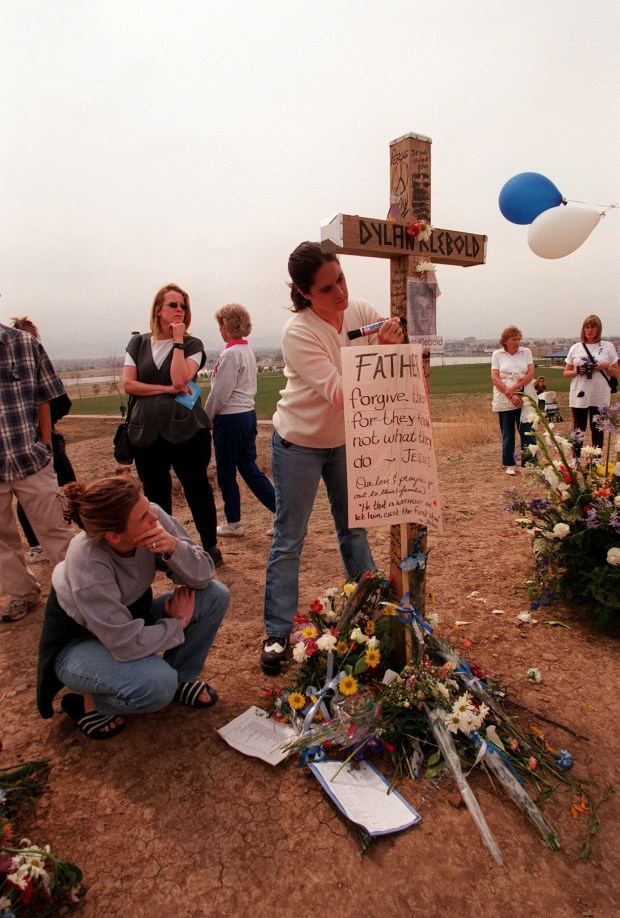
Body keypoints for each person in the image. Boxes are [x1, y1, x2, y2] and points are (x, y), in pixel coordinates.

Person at [260, 241, 406, 675]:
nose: (339, 292)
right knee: (290, 537)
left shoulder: (359, 310)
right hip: (299, 442)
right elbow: (343, 393)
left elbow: (395, 337)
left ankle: (373, 611)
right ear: (304, 293)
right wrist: (379, 350)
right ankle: (275, 632)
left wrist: (394, 336)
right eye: (326, 288)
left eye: (340, 278)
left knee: (355, 529)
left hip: (343, 441)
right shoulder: (298, 332)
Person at [36, 476, 229, 740]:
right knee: (156, 686)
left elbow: (204, 574)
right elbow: (123, 643)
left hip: (127, 618)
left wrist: (174, 548)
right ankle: (90, 702)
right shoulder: (87, 561)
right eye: (143, 517)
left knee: (214, 595)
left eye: (148, 507)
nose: (153, 518)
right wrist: (177, 623)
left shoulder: (153, 517)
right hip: (79, 642)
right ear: (114, 536)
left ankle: (181, 679)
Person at [122, 284, 222, 567]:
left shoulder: (192, 345)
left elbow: (180, 380)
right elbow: (128, 384)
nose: (180, 310)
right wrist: (163, 390)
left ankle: (210, 546)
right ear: (158, 309)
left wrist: (177, 341)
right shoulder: (138, 344)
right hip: (145, 431)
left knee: (196, 487)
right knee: (155, 493)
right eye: (174, 305)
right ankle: (163, 549)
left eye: (184, 306)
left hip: (186, 429)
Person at [0, 316, 74, 623]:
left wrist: (44, 443)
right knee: (2, 540)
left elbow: (45, 398)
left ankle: (77, 587)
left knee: (55, 528)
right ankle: (22, 594)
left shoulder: (22, 343)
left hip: (30, 458)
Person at [205, 304, 276, 537]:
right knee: (249, 468)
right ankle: (284, 514)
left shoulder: (229, 354)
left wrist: (205, 418)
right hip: (247, 415)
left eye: (220, 325)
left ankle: (233, 523)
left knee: (226, 472)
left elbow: (220, 393)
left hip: (230, 419)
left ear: (226, 325)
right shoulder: (247, 351)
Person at [11, 316, 76, 564]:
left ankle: (41, 543)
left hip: (43, 440)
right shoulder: (29, 357)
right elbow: (58, 401)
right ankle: (46, 542)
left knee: (33, 495)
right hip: (36, 442)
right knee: (53, 489)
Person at [563, 315, 618, 456]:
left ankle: (596, 459)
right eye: (587, 327)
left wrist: (606, 366)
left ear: (598, 329)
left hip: (599, 393)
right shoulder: (576, 348)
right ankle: (575, 459)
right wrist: (577, 371)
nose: (590, 330)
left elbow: (617, 372)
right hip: (579, 392)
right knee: (578, 428)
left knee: (598, 428)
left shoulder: (608, 347)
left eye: (593, 327)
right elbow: (566, 373)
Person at [491, 326, 536, 476]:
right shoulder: (497, 355)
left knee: (527, 430)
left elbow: (530, 374)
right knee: (508, 432)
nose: (516, 342)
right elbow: (495, 377)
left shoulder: (526, 353)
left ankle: (530, 462)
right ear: (505, 341)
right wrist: (509, 394)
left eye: (518, 339)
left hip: (525, 394)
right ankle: (510, 463)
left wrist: (517, 387)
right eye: (513, 339)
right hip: (505, 397)